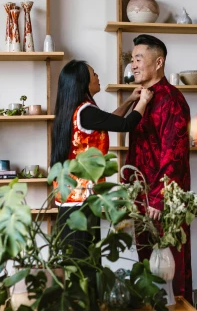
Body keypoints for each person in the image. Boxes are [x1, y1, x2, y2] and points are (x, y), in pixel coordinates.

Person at [51, 59, 153, 257]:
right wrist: (144, 101)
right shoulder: (85, 111)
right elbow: (124, 125)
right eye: (93, 73)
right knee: (84, 262)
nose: (97, 76)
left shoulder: (79, 110)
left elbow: (111, 121)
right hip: (81, 200)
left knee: (78, 261)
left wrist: (131, 100)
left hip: (71, 199)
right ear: (83, 82)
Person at [124, 34, 193, 300]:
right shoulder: (143, 99)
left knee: (171, 266)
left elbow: (173, 156)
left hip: (164, 202)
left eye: (139, 59)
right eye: (132, 60)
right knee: (146, 265)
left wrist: (158, 200)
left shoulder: (172, 101)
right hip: (141, 199)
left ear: (159, 62)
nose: (134, 65)